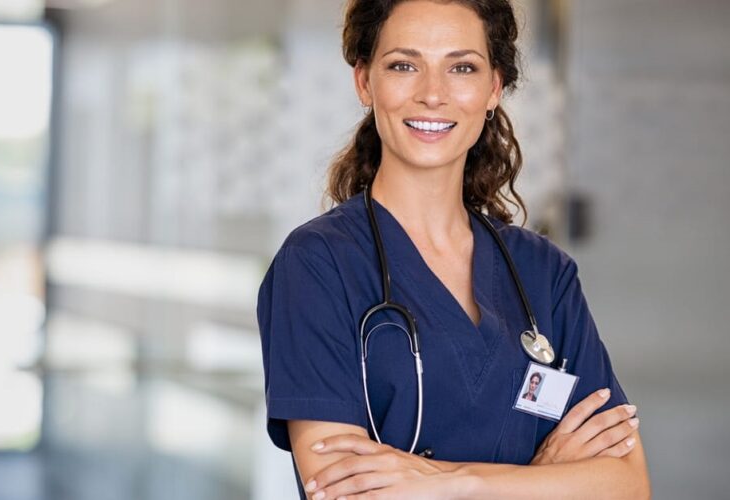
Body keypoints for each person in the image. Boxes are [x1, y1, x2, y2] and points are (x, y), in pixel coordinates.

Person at [257, 0, 650, 498]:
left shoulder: (543, 273)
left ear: (493, 88)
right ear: (364, 82)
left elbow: (627, 484)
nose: (432, 94)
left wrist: (450, 481)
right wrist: (540, 476)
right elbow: (345, 492)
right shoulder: (317, 264)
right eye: (404, 65)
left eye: (461, 67)